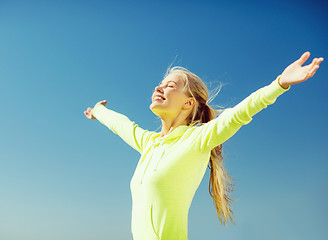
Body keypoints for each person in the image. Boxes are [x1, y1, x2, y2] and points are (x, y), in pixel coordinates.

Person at [84, 52, 323, 240]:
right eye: (160, 84)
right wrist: (98, 110)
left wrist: (279, 83)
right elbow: (121, 124)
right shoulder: (149, 143)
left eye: (170, 85)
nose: (159, 88)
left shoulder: (197, 140)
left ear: (188, 103)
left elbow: (240, 113)